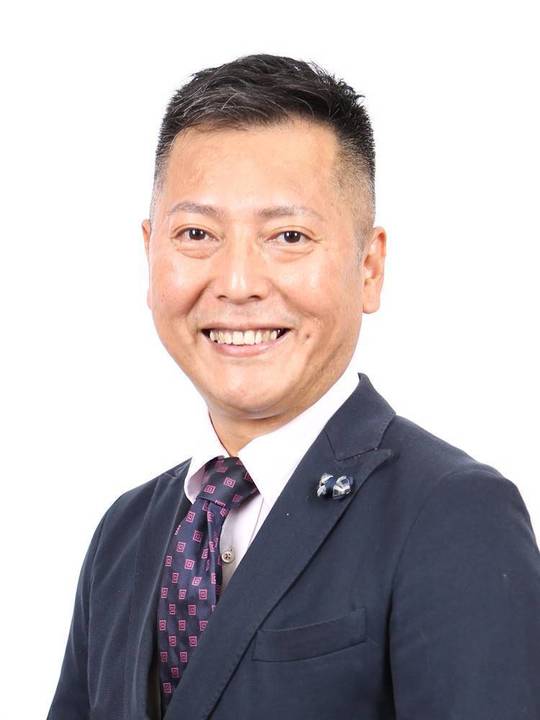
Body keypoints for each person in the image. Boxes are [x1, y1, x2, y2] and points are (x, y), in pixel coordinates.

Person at [47, 53, 540, 720]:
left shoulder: (451, 514)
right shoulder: (124, 534)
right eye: (196, 233)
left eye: (288, 235)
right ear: (149, 250)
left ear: (369, 268)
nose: (238, 283)